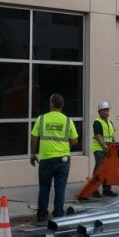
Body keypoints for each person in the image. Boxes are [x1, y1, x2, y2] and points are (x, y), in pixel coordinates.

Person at [30, 93, 78, 222]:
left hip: (46, 160)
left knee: (44, 189)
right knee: (60, 189)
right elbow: (74, 141)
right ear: (62, 106)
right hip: (63, 161)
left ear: (52, 104)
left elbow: (34, 137)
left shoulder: (42, 119)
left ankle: (41, 216)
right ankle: (58, 216)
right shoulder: (68, 120)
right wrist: (64, 148)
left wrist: (33, 154)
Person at [90, 101, 117, 198]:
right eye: (105, 110)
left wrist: (113, 146)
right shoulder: (97, 122)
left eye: (107, 110)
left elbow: (112, 136)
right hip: (99, 149)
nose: (107, 112)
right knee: (99, 169)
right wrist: (105, 147)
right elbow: (98, 136)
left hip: (108, 149)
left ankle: (107, 189)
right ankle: (94, 190)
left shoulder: (110, 122)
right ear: (100, 111)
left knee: (107, 170)